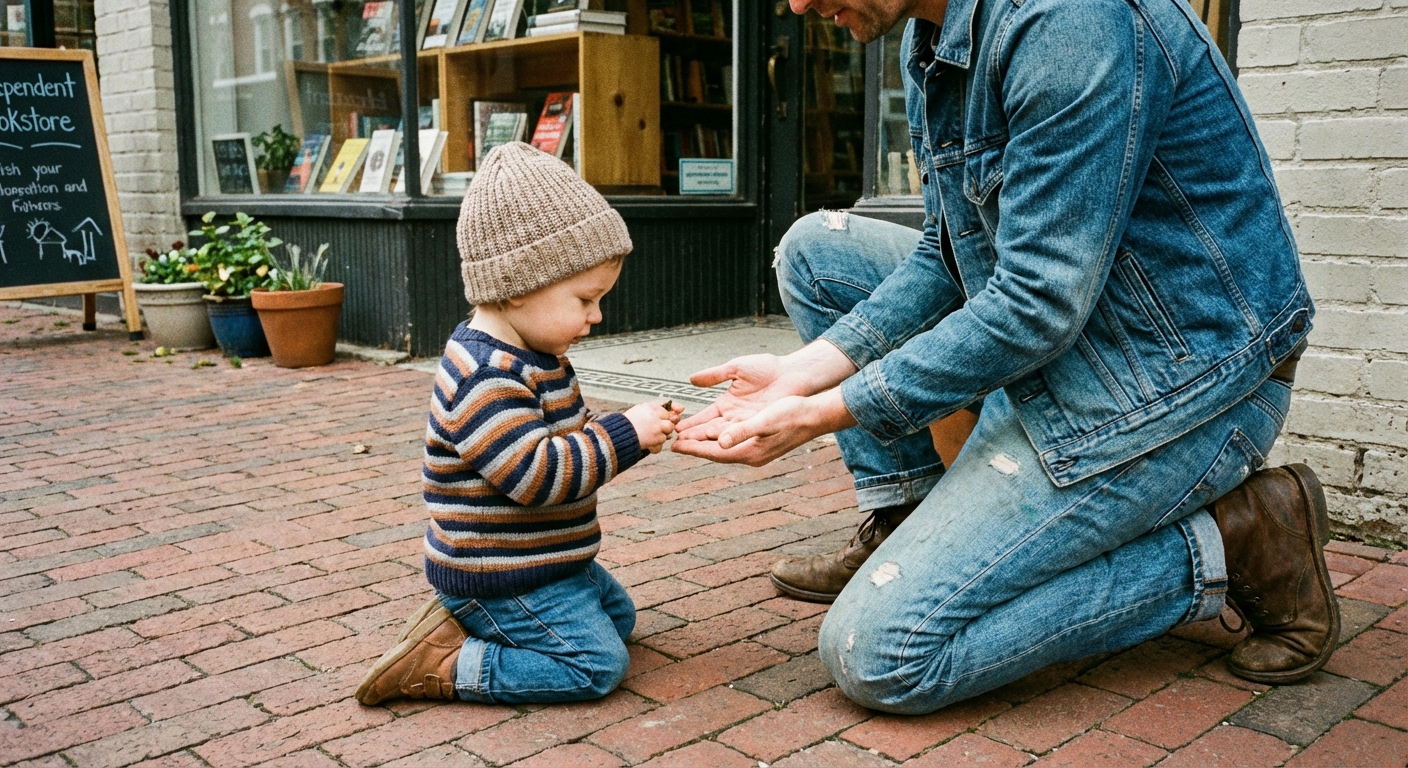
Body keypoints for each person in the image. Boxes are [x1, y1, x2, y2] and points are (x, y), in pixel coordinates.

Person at [674, 0, 1338, 714]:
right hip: (1071, 344)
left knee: (880, 654)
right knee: (816, 250)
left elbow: (1036, 303)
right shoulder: (930, 38)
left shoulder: (1070, 23)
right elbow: (946, 253)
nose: (798, 6)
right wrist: (804, 372)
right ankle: (911, 518)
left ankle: (1237, 542)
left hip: (1178, 382)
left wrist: (830, 411)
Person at [355, 142, 680, 706]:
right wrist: (627, 436)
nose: (596, 316)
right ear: (518, 286)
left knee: (620, 618)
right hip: (501, 572)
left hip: (543, 561)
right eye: (586, 299)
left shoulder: (536, 353)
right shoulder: (486, 375)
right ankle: (448, 663)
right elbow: (536, 474)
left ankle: (466, 624)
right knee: (596, 665)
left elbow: (565, 435)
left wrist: (637, 427)